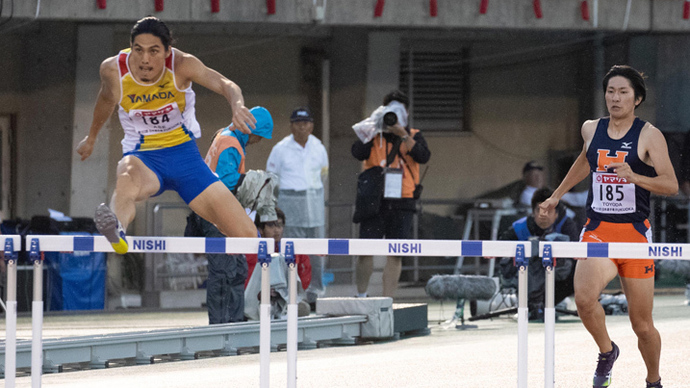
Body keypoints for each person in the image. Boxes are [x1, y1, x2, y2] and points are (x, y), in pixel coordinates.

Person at [540, 65, 678, 388]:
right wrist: (556, 196)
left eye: (623, 92)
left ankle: (653, 380)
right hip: (598, 230)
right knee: (584, 299)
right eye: (610, 92)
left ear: (637, 99)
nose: (615, 98)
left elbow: (670, 184)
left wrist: (635, 177)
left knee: (642, 325)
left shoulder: (648, 135)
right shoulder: (591, 129)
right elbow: (585, 161)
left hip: (634, 235)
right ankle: (607, 352)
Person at [76, 16, 257, 254]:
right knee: (126, 178)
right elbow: (106, 100)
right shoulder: (113, 70)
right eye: (138, 50)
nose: (144, 60)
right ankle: (117, 230)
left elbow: (225, 84)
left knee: (250, 238)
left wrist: (237, 105)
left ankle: (264, 283)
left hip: (185, 159)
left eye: (153, 51)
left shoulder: (182, 64)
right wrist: (91, 137)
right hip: (143, 158)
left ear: (167, 51)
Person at [185, 106, 274, 324]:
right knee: (225, 273)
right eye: (259, 138)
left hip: (218, 213)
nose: (258, 142)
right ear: (252, 131)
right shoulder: (230, 143)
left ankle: (233, 324)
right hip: (217, 215)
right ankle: (222, 329)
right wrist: (252, 183)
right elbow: (223, 181)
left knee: (236, 271)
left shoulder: (223, 136)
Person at [351, 90, 431, 298]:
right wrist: (372, 127)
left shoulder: (413, 135)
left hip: (403, 199)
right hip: (374, 200)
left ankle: (388, 299)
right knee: (365, 250)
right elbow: (357, 152)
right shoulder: (373, 133)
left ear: (406, 112)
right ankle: (362, 296)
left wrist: (402, 133)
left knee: (396, 253)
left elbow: (423, 156)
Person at [266, 107, 328, 307]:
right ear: (292, 126)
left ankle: (316, 293)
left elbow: (323, 174)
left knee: (317, 251)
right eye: (298, 123)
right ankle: (293, 293)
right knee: (292, 249)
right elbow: (272, 179)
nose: (302, 127)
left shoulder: (318, 146)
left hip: (314, 200)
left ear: (311, 125)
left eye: (306, 123)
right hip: (290, 200)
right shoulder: (280, 148)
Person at [498, 187, 578, 321]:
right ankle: (531, 304)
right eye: (539, 210)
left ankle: (547, 303)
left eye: (549, 210)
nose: (543, 215)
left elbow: (577, 255)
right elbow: (500, 248)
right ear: (532, 212)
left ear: (557, 213)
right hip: (526, 280)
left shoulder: (567, 226)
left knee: (579, 269)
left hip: (558, 280)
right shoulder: (520, 228)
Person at [244, 207, 312, 319]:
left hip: (285, 300)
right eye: (271, 225)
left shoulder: (293, 250)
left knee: (303, 308)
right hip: (257, 301)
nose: (277, 230)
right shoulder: (251, 252)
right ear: (260, 229)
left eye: (279, 225)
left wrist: (287, 291)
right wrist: (261, 293)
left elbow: (304, 277)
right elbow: (249, 285)